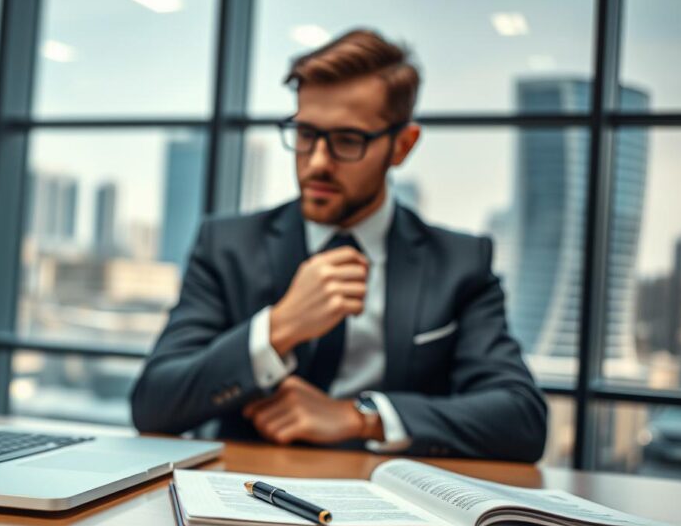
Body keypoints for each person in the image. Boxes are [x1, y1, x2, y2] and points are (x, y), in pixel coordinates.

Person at [130, 29, 548, 462]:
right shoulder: (228, 246)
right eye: (306, 133)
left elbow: (521, 419)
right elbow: (153, 404)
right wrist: (279, 328)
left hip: (396, 510)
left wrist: (359, 417)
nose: (317, 163)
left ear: (401, 146)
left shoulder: (460, 263)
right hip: (245, 490)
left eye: (348, 140)